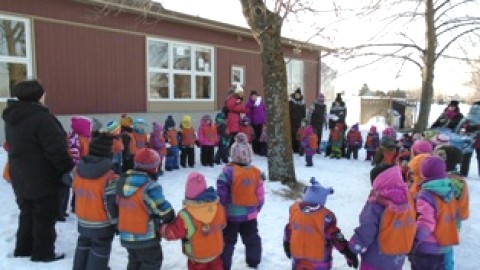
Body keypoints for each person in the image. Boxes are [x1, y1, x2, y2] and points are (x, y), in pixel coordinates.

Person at [2, 79, 74, 262]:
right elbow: (55, 150)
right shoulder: (42, 118)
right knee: (44, 214)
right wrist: (66, 168)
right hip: (42, 175)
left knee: (27, 211)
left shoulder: (13, 117)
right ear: (39, 96)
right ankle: (43, 253)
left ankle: (24, 247)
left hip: (20, 173)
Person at [116, 148, 175, 270]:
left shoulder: (123, 181)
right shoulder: (149, 186)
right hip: (145, 236)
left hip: (126, 235)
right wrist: (170, 216)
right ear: (154, 167)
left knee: (135, 261)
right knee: (151, 263)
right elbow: (162, 209)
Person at [349, 166, 416, 270]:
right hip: (397, 257)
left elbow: (367, 230)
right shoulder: (408, 198)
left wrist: (352, 249)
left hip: (375, 259)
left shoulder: (376, 203)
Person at [283, 178, 358, 269]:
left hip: (298, 257)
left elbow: (288, 229)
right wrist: (347, 251)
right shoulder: (325, 217)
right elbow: (335, 236)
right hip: (319, 260)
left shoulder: (295, 211)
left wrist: (286, 243)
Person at [216, 133, 265, 270]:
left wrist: (221, 210)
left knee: (228, 241)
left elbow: (221, 194)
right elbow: (260, 195)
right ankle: (254, 261)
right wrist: (257, 208)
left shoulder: (227, 172)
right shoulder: (255, 172)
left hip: (231, 216)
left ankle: (225, 265)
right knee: (252, 239)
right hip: (250, 215)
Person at [160, 172, 226, 270]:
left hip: (198, 257)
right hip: (215, 252)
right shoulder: (218, 207)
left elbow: (175, 232)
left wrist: (162, 229)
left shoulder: (186, 215)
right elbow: (223, 224)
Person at [72, 133, 119, 270]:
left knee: (83, 243)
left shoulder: (78, 170)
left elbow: (67, 179)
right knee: (100, 248)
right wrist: (116, 222)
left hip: (83, 219)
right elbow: (111, 204)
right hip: (101, 223)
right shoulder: (110, 177)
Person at [409, 156, 459, 270]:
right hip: (443, 244)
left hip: (426, 247)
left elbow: (426, 223)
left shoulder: (426, 195)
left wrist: (414, 240)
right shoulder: (449, 189)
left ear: (423, 173)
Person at [433, 145, 469, 270]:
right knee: (446, 250)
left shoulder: (445, 182)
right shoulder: (459, 180)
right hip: (452, 222)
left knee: (442, 252)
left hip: (444, 222)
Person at [66, 116, 92, 218]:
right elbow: (74, 153)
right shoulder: (75, 138)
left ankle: (78, 204)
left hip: (84, 165)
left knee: (82, 186)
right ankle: (75, 206)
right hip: (78, 166)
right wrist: (76, 166)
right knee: (78, 186)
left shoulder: (84, 138)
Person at [246, 90, 266, 155]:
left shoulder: (260, 102)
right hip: (253, 122)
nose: (254, 97)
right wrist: (248, 120)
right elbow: (248, 113)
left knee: (261, 136)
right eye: (253, 96)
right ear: (251, 97)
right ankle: (256, 149)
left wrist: (265, 118)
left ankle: (261, 150)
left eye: (255, 96)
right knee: (255, 136)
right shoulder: (249, 104)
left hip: (261, 121)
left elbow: (264, 110)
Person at [289, 88, 306, 153]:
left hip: (299, 121)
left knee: (299, 135)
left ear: (300, 95)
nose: (297, 96)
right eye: (296, 94)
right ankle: (293, 148)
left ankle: (298, 148)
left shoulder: (303, 103)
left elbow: (304, 113)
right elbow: (289, 111)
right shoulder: (291, 102)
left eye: (298, 94)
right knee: (292, 135)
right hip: (292, 121)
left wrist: (303, 120)